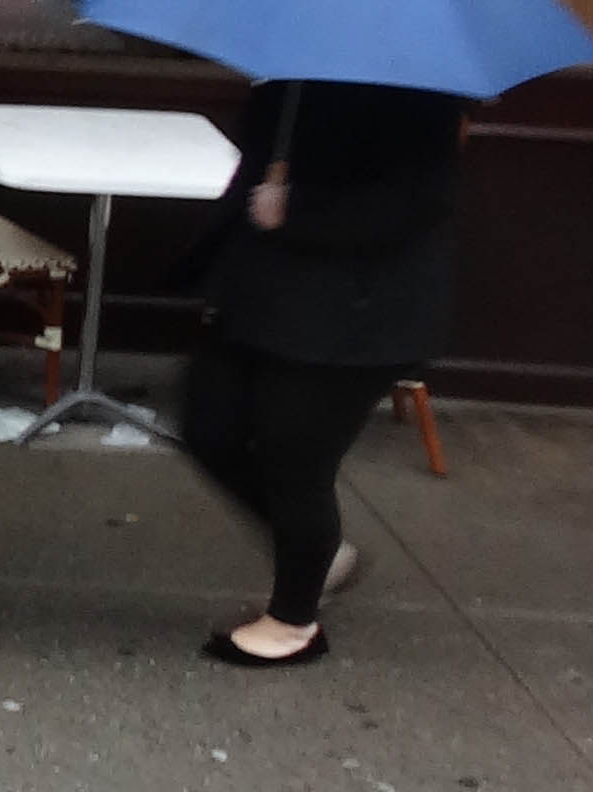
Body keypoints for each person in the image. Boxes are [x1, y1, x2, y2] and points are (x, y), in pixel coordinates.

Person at [173, 81, 460, 667]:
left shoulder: (420, 96)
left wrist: (295, 209)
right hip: (260, 291)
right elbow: (254, 163)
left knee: (294, 456)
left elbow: (415, 202)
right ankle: (322, 557)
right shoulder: (289, 81)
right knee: (209, 423)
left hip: (358, 312)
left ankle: (294, 620)